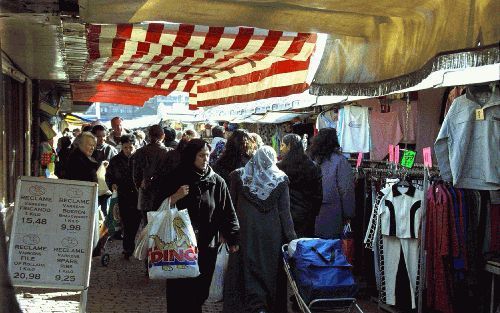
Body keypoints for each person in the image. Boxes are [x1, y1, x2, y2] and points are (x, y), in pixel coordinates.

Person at [161, 139, 240, 313]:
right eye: (201, 155)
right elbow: (156, 206)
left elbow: (227, 210)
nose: (205, 159)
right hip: (178, 244)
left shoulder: (216, 181)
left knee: (200, 290)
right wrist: (175, 197)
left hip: (206, 245)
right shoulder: (175, 177)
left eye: (207, 155)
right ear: (191, 157)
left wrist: (232, 237)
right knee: (178, 291)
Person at [223, 146, 296, 313]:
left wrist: (227, 231)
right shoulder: (280, 179)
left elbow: (230, 207)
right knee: (268, 270)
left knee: (245, 269)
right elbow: (285, 213)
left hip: (244, 232)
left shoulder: (239, 176)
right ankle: (263, 306)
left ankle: (245, 306)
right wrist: (292, 238)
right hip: (271, 234)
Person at [309, 128, 355, 239]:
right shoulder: (340, 161)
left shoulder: (310, 159)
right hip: (331, 212)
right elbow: (345, 189)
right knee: (330, 249)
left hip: (310, 211)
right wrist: (349, 213)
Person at [277, 134, 322, 238]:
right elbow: (318, 194)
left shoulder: (279, 167)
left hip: (286, 214)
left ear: (289, 146)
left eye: (283, 145)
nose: (280, 148)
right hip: (307, 215)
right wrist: (314, 212)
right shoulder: (313, 166)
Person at [105, 134, 141, 259]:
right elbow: (109, 176)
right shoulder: (115, 160)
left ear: (135, 146)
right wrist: (112, 184)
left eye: (130, 147)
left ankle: (130, 244)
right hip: (123, 196)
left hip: (137, 196)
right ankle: (128, 248)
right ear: (122, 147)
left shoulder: (139, 158)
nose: (128, 150)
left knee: (135, 223)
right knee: (126, 222)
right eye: (126, 147)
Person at [133, 125, 172, 219]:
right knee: (163, 229)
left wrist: (141, 187)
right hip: (165, 197)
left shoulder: (139, 152)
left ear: (148, 136)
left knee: (149, 229)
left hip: (145, 198)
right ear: (163, 136)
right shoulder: (169, 152)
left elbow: (135, 176)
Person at [91, 125, 118, 216]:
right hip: (92, 186)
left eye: (103, 136)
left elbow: (116, 168)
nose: (101, 138)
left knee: (106, 211)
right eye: (98, 136)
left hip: (107, 187)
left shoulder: (111, 149)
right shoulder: (88, 149)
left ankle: (105, 230)